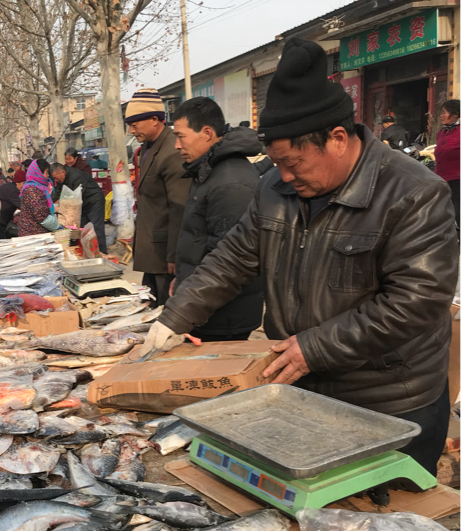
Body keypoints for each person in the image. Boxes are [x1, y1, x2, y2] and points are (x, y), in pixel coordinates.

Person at [140, 38, 458, 480]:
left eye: (294, 164)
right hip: (303, 389)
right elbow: (232, 257)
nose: (285, 177)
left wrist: (314, 347)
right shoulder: (276, 189)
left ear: (339, 139)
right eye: (276, 165)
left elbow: (417, 301)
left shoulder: (414, 193)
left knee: (382, 527)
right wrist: (174, 317)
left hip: (387, 401)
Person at [170, 98, 264, 342]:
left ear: (207, 133)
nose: (176, 145)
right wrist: (181, 280)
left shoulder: (231, 182)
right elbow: (199, 237)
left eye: (181, 136)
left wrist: (185, 302)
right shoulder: (208, 170)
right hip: (203, 306)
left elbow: (228, 261)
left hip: (222, 316)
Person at [126, 87, 191, 307]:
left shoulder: (172, 150)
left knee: (166, 308)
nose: (132, 131)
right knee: (149, 306)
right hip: (151, 249)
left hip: (164, 253)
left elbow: (179, 206)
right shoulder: (147, 147)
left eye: (135, 125)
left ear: (155, 119)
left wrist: (173, 254)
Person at [50, 162, 107, 251]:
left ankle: (102, 253)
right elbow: (57, 193)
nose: (56, 180)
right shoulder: (62, 179)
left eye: (56, 177)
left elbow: (75, 197)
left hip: (94, 202)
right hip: (82, 204)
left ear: (62, 173)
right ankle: (83, 251)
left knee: (96, 228)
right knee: (79, 229)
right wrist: (47, 203)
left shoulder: (76, 176)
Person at [435, 99, 460, 234]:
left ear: (455, 114)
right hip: (442, 179)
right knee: (442, 212)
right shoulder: (442, 132)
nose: (441, 115)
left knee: (457, 212)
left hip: (457, 179)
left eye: (444, 113)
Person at [15, 159, 57, 236]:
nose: (48, 175)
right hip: (32, 235)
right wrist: (57, 226)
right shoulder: (32, 190)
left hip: (36, 233)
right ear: (39, 173)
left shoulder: (39, 187)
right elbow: (42, 217)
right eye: (46, 172)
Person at [0, 168, 25, 238]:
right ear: (18, 183)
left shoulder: (9, 186)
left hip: (1, 216)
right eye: (23, 183)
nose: (24, 186)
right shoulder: (12, 191)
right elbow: (21, 205)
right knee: (3, 241)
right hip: (0, 218)